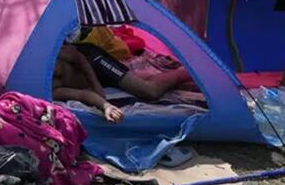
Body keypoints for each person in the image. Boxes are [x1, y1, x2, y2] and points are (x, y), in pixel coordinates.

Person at [53, 35, 192, 123]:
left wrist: (96, 87)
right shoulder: (49, 90)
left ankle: (187, 72)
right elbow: (83, 95)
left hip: (92, 60)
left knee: (149, 91)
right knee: (142, 81)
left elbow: (79, 58)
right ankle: (188, 82)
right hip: (97, 78)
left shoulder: (49, 57)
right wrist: (105, 106)